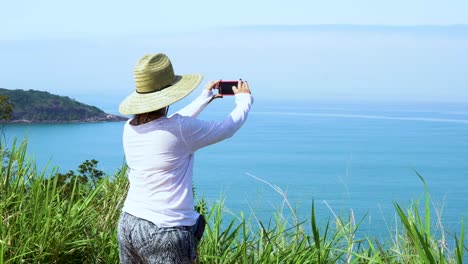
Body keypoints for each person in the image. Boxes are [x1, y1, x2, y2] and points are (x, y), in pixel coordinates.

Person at [117, 53, 253, 263]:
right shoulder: (179, 129)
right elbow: (227, 128)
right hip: (165, 230)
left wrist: (204, 98)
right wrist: (244, 100)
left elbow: (172, 125)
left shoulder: (130, 128)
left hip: (129, 223)